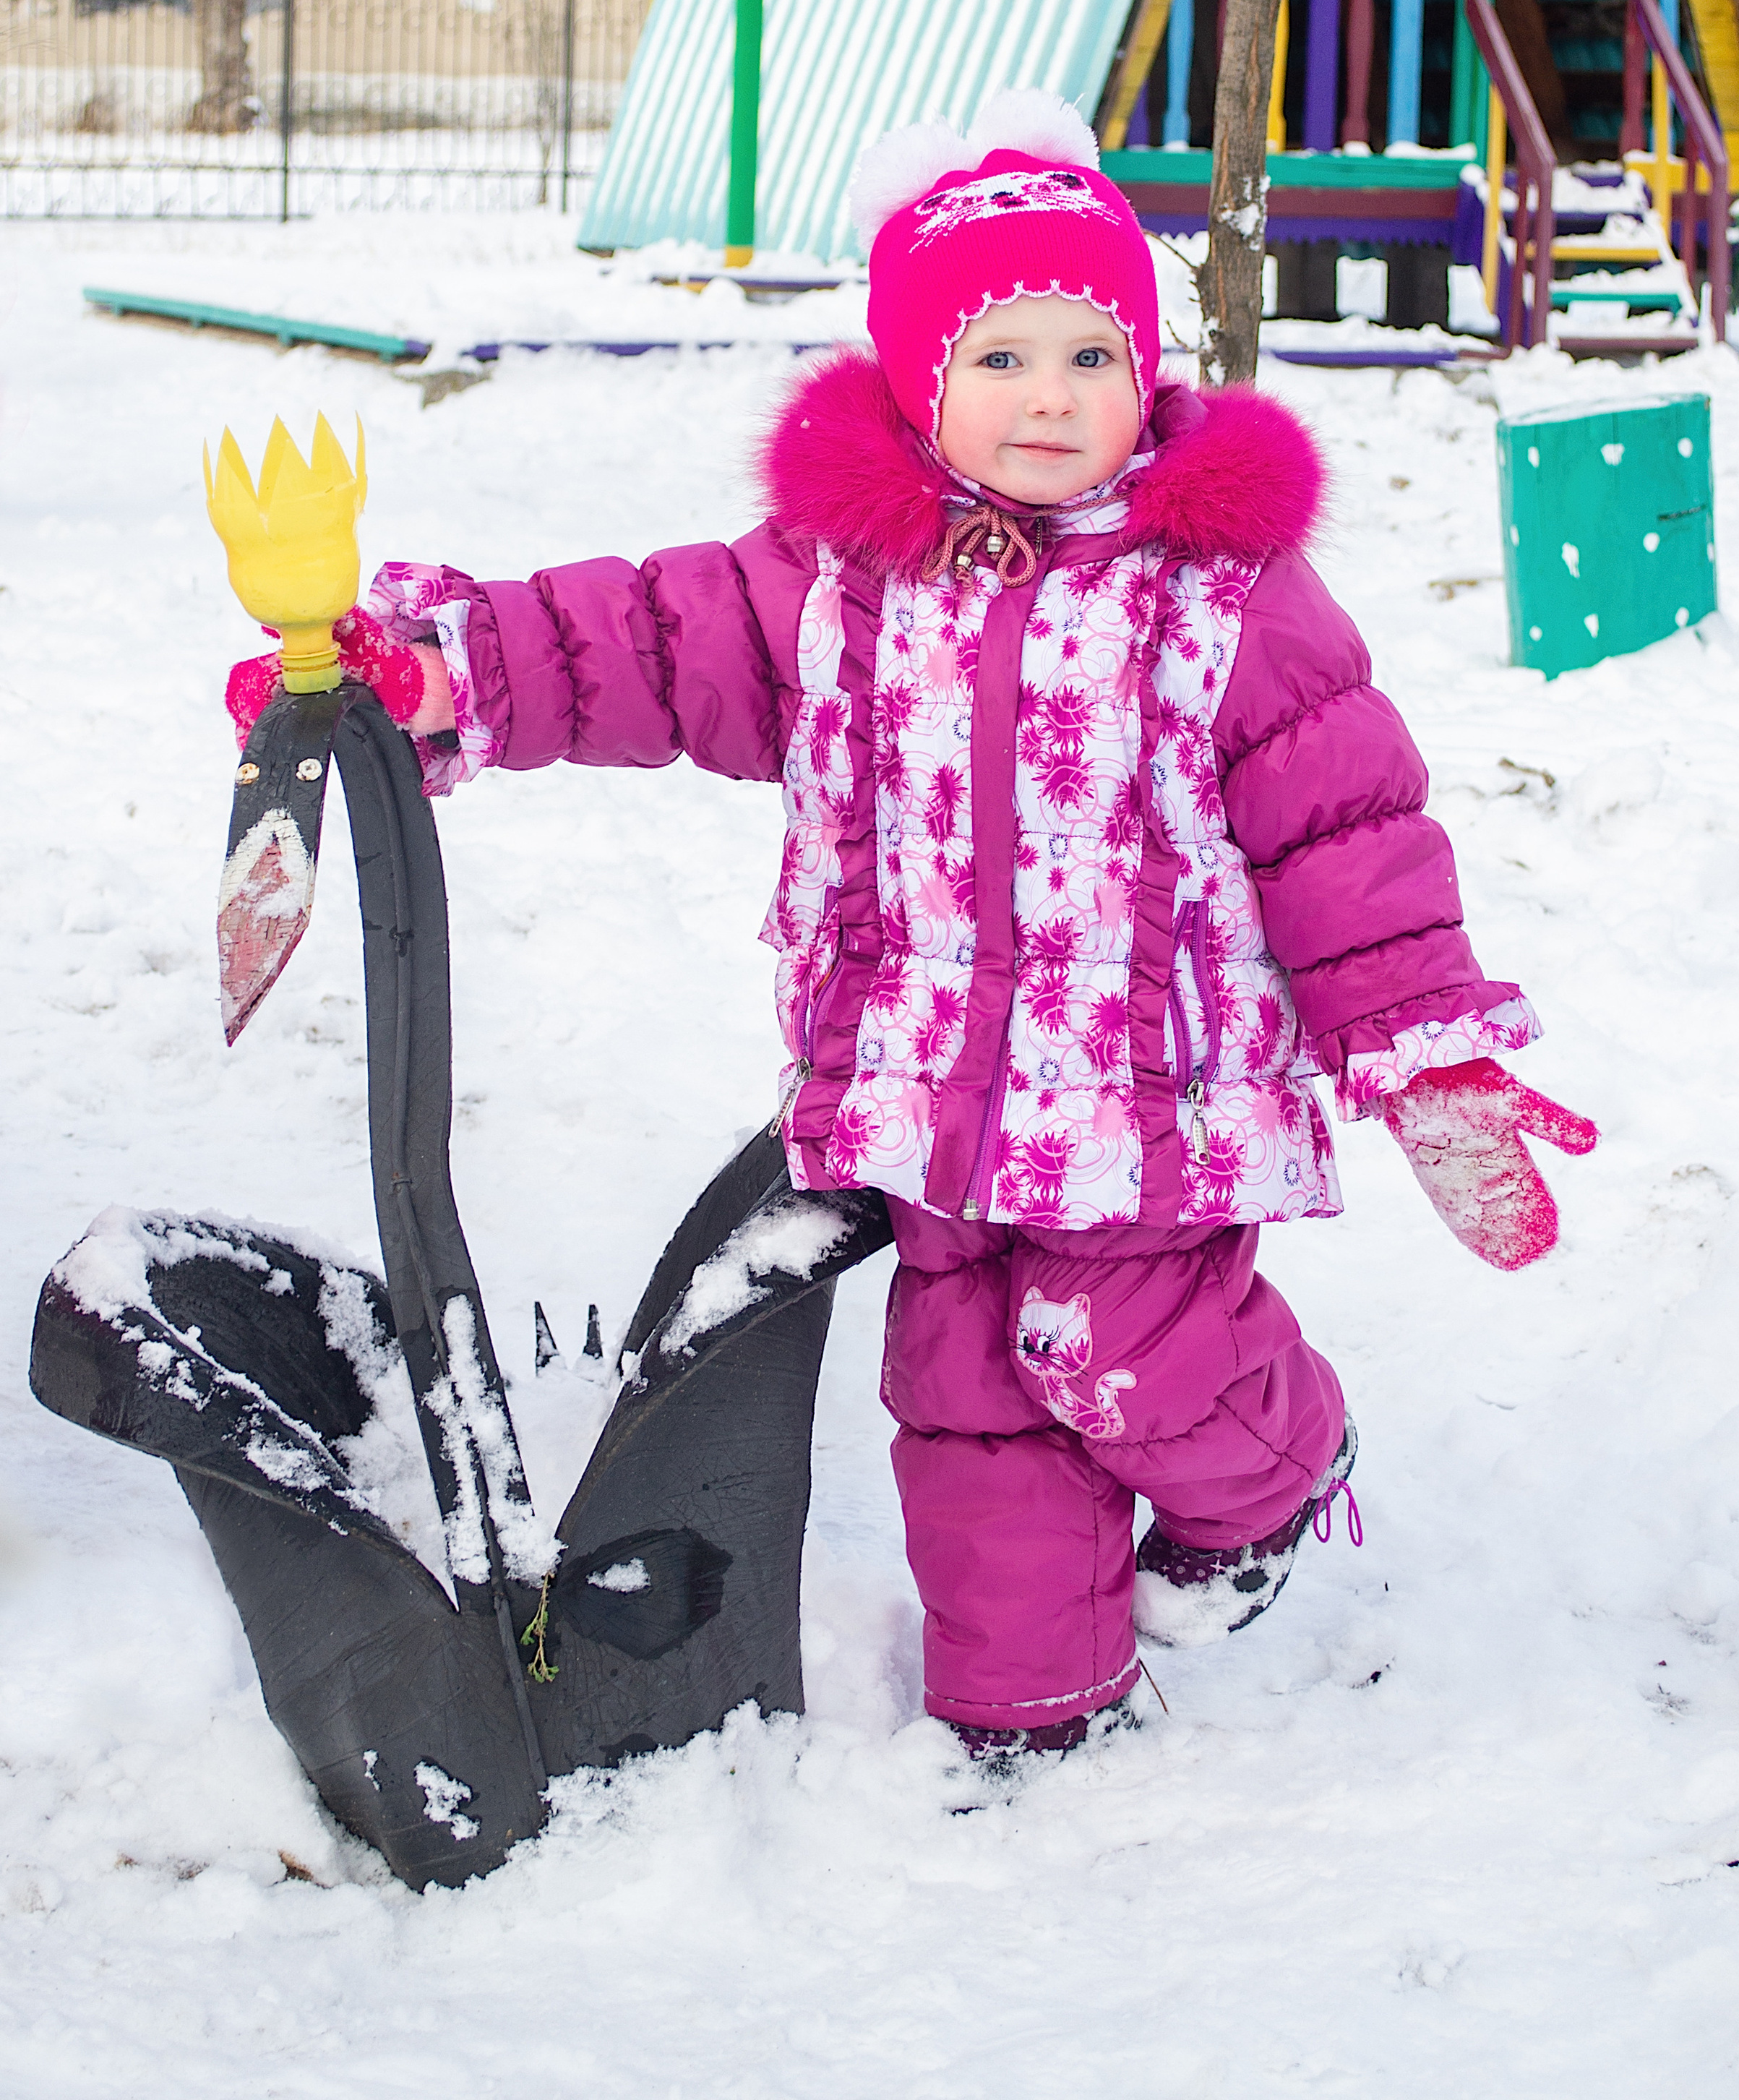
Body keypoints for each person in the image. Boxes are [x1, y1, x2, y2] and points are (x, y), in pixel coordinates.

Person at [228, 89, 1597, 1767]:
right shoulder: (834, 582)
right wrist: (455, 669)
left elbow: (1345, 827)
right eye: (1000, 360)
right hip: (928, 1089)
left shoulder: (1215, 593)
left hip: (1147, 1095)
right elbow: (639, 643)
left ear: (1143, 375)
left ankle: (1280, 1473)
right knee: (967, 1408)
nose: (1047, 399)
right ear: (918, 384)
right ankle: (1032, 1700)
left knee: (1115, 1343)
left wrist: (1422, 1048)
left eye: (1088, 358)